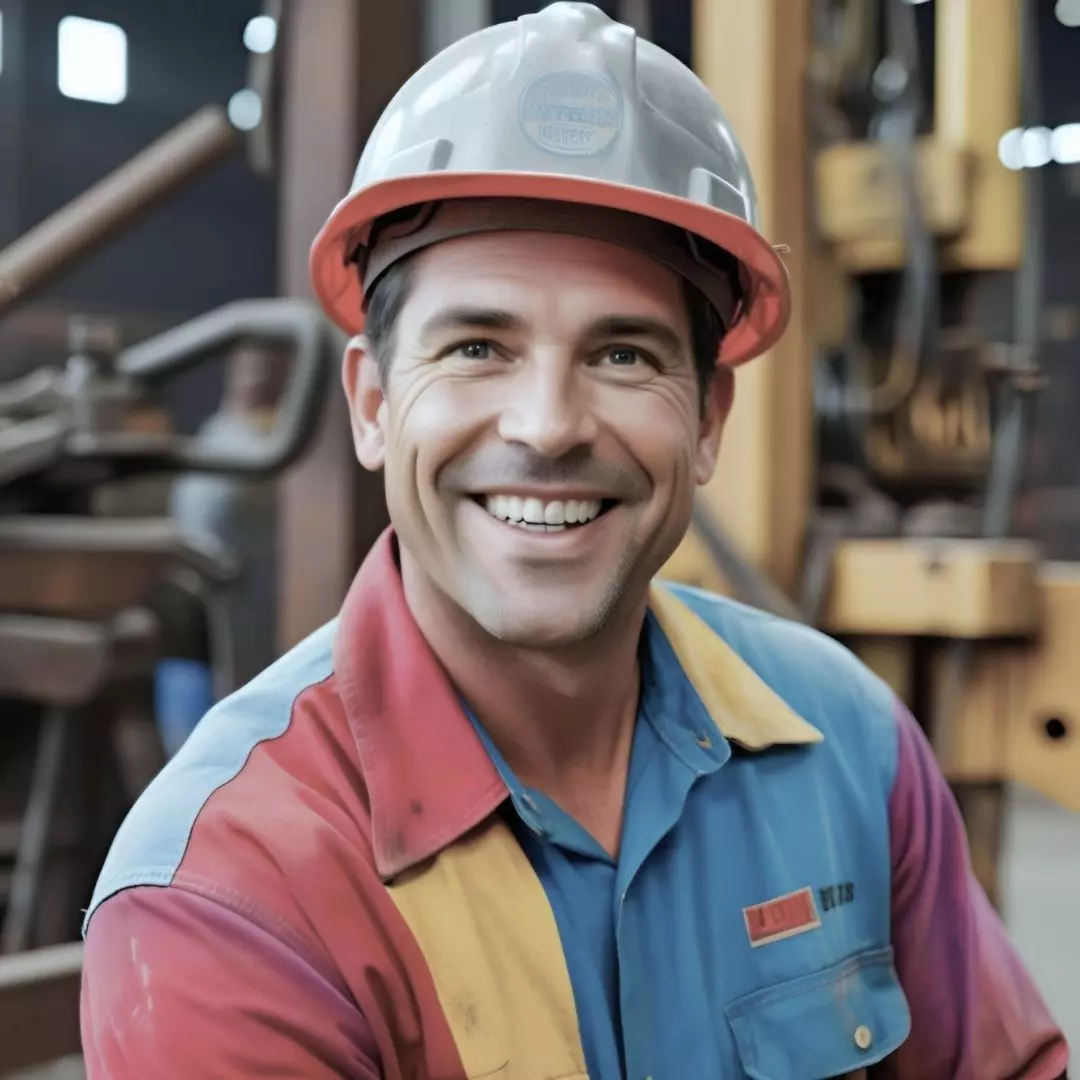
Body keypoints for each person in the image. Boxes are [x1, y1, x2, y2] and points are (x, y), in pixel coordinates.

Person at [79, 4, 1069, 1078]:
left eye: (624, 356)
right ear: (372, 405)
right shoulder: (229, 892)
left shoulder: (847, 745)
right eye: (477, 347)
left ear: (708, 421)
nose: (548, 427)